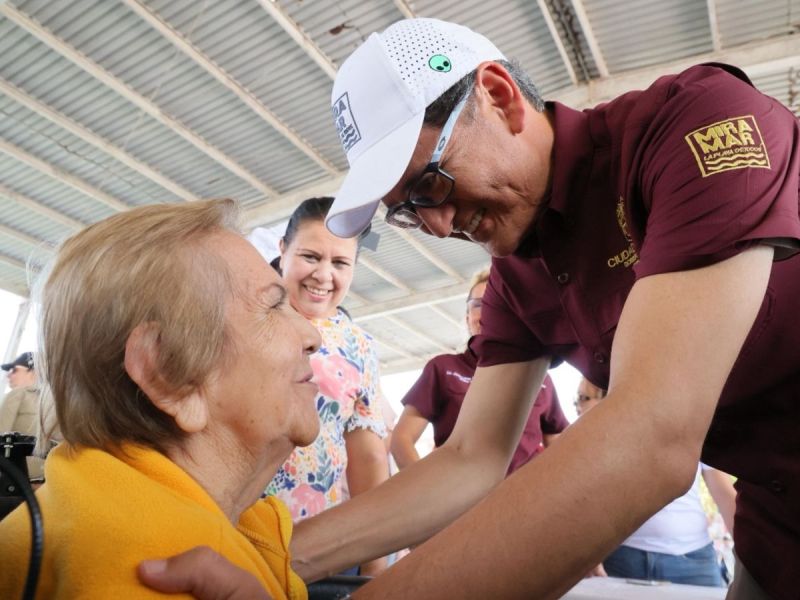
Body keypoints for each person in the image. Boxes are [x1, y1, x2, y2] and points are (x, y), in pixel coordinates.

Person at [141, 17, 798, 600]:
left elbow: (651, 435)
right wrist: (265, 557)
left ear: (499, 96)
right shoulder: (516, 277)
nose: (438, 224)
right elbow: (469, 460)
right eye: (408, 209)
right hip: (779, 523)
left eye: (431, 184)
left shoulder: (693, 124)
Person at [0, 199, 320, 599]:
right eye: (273, 306)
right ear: (168, 373)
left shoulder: (95, 511)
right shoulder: (155, 568)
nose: (313, 337)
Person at [263, 196, 389, 576]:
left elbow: (368, 459)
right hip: (240, 536)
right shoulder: (247, 319)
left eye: (340, 263)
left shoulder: (360, 346)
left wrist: (374, 565)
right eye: (311, 256)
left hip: (326, 551)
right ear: (283, 250)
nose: (323, 275)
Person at [391, 268, 567, 473]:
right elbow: (401, 440)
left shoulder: (539, 377)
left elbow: (556, 441)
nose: (487, 312)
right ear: (467, 317)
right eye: (478, 305)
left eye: (498, 303)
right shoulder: (443, 368)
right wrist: (430, 495)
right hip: (466, 498)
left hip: (527, 497)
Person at [575, 378, 736, 587]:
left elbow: (724, 494)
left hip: (692, 560)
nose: (578, 406)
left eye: (582, 398)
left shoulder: (692, 423)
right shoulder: (601, 438)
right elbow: (589, 499)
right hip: (621, 557)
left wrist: (755, 552)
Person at [0, 351, 44, 479]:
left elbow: (1, 436)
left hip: (14, 480)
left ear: (32, 371)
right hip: (41, 480)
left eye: (14, 370)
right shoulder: (52, 403)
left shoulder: (17, 394)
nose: (9, 375)